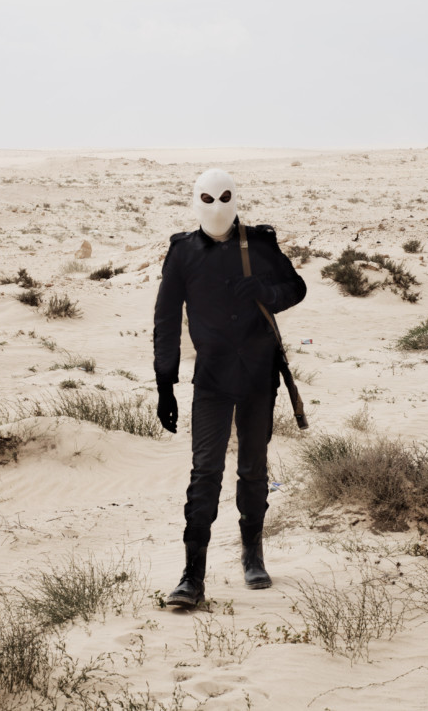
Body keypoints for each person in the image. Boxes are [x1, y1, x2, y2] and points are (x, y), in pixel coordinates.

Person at [153, 168, 307, 607]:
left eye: (224, 197)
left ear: (235, 198)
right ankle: (192, 575)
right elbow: (166, 318)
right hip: (213, 380)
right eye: (208, 198)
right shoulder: (183, 252)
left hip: (259, 375)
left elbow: (296, 288)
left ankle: (253, 555)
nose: (217, 206)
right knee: (205, 472)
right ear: (195, 200)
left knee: (253, 469)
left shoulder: (259, 244)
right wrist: (165, 382)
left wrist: (265, 290)